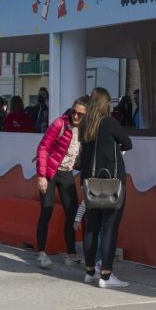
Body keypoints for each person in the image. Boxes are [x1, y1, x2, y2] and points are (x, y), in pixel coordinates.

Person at [79, 87, 132, 288]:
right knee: (110, 228)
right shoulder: (109, 123)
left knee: (91, 227)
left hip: (90, 183)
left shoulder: (85, 125)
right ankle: (106, 276)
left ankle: (90, 271)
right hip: (111, 183)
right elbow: (128, 143)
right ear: (105, 103)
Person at [34, 96, 88, 269]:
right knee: (47, 210)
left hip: (66, 173)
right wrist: (41, 176)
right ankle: (41, 253)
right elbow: (43, 147)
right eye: (74, 112)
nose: (76, 116)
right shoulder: (60, 123)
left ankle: (71, 254)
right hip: (50, 171)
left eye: (80, 114)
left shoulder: (86, 129)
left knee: (72, 213)